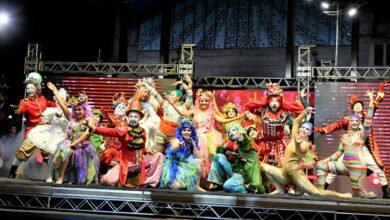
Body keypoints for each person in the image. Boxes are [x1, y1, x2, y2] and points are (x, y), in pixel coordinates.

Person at [314, 81, 390, 199]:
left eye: (360, 104)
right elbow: (336, 125)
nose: (358, 106)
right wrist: (322, 130)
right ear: (352, 108)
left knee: (377, 167)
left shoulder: (366, 116)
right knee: (335, 168)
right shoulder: (348, 119)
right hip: (350, 148)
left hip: (364, 148)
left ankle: (386, 191)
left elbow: (376, 102)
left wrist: (380, 88)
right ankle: (322, 189)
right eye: (356, 105)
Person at [261, 107, 351, 198]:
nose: (304, 130)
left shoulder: (305, 144)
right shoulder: (294, 136)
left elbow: (299, 149)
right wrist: (305, 112)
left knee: (317, 193)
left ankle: (341, 195)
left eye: (307, 129)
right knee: (262, 166)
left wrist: (297, 143)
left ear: (309, 133)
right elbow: (296, 122)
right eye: (303, 127)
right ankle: (279, 189)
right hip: (284, 174)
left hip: (295, 175)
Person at [87, 101, 162, 188]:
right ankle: (104, 176)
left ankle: (150, 183)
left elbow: (142, 148)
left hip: (139, 163)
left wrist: (148, 150)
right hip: (127, 164)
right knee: (109, 180)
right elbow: (110, 131)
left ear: (140, 118)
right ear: (128, 118)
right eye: (131, 116)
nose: (133, 119)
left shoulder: (143, 132)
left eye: (135, 116)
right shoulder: (124, 130)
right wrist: (94, 129)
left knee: (159, 155)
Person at [47, 82, 99, 184]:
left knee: (78, 164)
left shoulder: (89, 119)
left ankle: (78, 178)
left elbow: (87, 133)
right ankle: (60, 177)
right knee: (65, 152)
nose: (77, 112)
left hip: (83, 145)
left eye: (79, 109)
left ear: (84, 110)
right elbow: (62, 104)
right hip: (70, 143)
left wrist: (76, 143)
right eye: (75, 110)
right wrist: (54, 90)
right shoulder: (71, 118)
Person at [8, 72, 57, 178]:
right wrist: (16, 110)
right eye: (28, 88)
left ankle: (50, 176)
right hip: (33, 131)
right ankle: (12, 171)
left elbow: (52, 104)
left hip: (45, 131)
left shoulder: (43, 99)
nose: (29, 89)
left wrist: (60, 103)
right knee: (23, 152)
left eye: (31, 87)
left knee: (47, 154)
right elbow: (20, 110)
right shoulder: (25, 102)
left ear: (37, 88)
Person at [245, 83, 305, 167]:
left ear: (281, 102)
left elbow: (300, 111)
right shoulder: (263, 111)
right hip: (265, 141)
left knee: (284, 164)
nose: (274, 103)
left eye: (277, 101)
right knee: (262, 164)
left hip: (280, 141)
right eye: (272, 101)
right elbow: (248, 106)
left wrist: (299, 100)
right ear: (268, 101)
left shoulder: (285, 112)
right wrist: (263, 101)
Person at [207, 123, 265, 193]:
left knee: (227, 186)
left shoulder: (248, 142)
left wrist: (240, 137)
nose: (232, 133)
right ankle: (217, 183)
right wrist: (223, 148)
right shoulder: (232, 144)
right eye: (230, 133)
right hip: (235, 170)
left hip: (245, 174)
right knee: (218, 157)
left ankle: (248, 190)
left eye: (234, 130)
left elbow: (245, 144)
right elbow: (228, 156)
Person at [160, 118, 204, 191]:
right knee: (176, 187)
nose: (186, 132)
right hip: (173, 165)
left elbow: (197, 156)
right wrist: (179, 145)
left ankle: (197, 186)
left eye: (188, 130)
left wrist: (194, 144)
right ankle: (171, 184)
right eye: (184, 130)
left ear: (192, 132)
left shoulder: (191, 141)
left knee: (198, 161)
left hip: (184, 165)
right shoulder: (177, 140)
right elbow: (173, 149)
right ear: (180, 131)